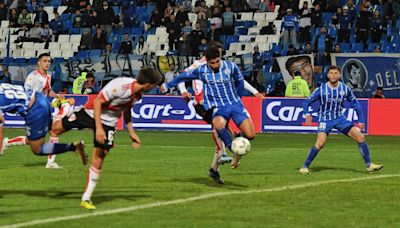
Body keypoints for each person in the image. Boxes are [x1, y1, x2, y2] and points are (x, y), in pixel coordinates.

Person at [50, 67, 162, 210]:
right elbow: (98, 102)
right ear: (148, 84)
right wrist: (98, 129)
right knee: (55, 129)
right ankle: (65, 106)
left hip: (109, 122)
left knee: (100, 155)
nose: (153, 88)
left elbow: (127, 109)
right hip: (90, 112)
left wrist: (131, 132)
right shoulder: (121, 86)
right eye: (153, 85)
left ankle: (86, 198)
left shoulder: (138, 95)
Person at [162, 46, 258, 184]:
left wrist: (241, 95)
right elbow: (183, 76)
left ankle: (220, 161)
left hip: (235, 104)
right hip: (215, 106)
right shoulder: (200, 69)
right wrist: (169, 84)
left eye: (217, 61)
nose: (215, 65)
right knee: (218, 126)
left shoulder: (230, 67)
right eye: (212, 63)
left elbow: (240, 81)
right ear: (206, 60)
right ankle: (232, 150)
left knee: (250, 135)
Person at [299, 66, 383, 174]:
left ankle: (369, 165)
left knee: (360, 137)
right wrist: (307, 114)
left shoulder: (345, 89)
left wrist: (361, 120)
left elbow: (355, 104)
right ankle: (305, 167)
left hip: (340, 119)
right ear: (328, 75)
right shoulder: (321, 89)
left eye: (336, 73)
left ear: (339, 75)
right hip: (325, 119)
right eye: (331, 73)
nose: (333, 75)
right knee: (320, 143)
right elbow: (306, 102)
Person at [2, 53, 70, 169]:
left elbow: (47, 91)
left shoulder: (47, 76)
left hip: (42, 109)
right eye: (45, 61)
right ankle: (9, 142)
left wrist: (58, 96)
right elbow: (26, 94)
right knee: (36, 139)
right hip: (35, 111)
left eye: (49, 61)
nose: (47, 63)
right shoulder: (32, 77)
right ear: (39, 62)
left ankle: (50, 162)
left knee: (53, 131)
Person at [0, 83, 87, 164]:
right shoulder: (2, 85)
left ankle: (73, 146)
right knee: (53, 131)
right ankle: (72, 116)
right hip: (40, 98)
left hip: (34, 110)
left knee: (37, 149)